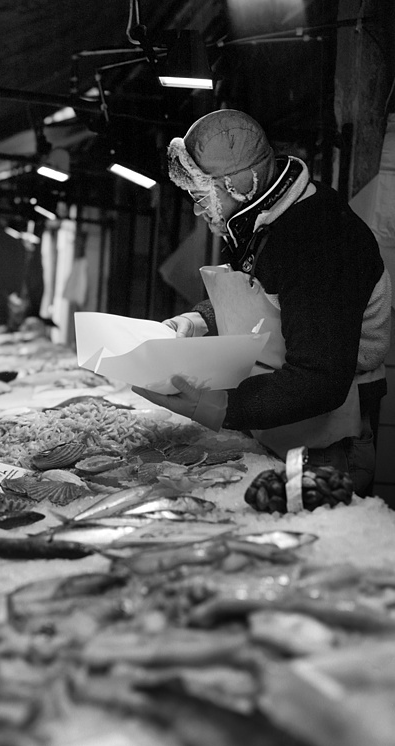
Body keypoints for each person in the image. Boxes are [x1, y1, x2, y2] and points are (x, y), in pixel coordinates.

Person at [133, 109, 391, 496]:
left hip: (333, 433)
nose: (195, 207)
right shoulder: (264, 217)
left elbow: (321, 379)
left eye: (201, 194)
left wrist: (217, 406)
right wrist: (199, 319)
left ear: (240, 183)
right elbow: (263, 298)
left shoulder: (319, 237)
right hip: (277, 415)